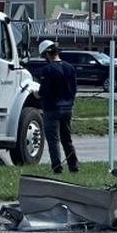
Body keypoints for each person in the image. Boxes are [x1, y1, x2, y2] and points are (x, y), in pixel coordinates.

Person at [36, 40, 79, 173]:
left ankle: (57, 168)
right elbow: (74, 89)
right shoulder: (70, 68)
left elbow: (44, 91)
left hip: (52, 108)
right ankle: (73, 166)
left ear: (47, 55)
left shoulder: (47, 70)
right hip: (67, 108)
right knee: (67, 139)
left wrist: (37, 94)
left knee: (53, 141)